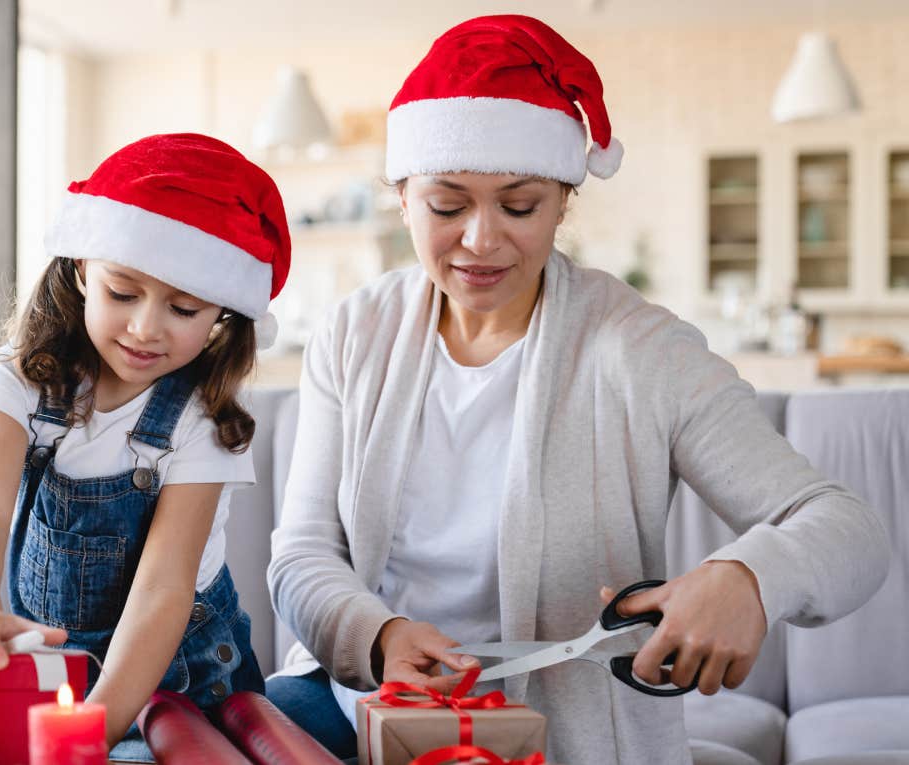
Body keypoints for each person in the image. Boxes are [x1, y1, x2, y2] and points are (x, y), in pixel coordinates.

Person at [264, 15, 889, 763]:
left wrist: (752, 576)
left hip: (566, 737)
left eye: (519, 205)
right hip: (364, 705)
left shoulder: (642, 348)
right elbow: (301, 553)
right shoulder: (353, 334)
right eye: (448, 204)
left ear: (563, 200)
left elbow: (849, 529)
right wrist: (379, 637)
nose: (482, 240)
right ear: (403, 198)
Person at [0, 133, 291, 758]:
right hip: (58, 683)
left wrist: (96, 729)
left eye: (184, 308)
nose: (146, 328)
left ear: (223, 314)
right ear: (83, 268)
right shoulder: (19, 378)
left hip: (182, 686)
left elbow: (164, 589)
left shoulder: (204, 421)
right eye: (123, 293)